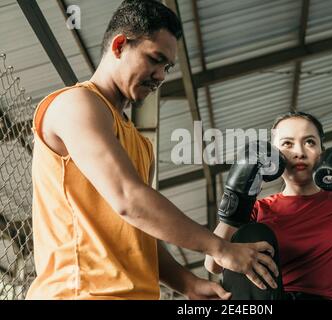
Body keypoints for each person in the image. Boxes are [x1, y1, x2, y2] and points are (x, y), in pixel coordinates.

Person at [26, 0, 279, 300]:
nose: (160, 76)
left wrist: (188, 284)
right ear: (119, 45)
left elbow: (139, 229)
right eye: (154, 60)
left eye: (167, 67)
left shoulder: (140, 143)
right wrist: (220, 248)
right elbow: (129, 200)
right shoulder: (76, 104)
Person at [205, 111, 332, 300]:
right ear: (274, 155)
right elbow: (213, 264)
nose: (299, 152)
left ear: (322, 151)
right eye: (287, 144)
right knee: (252, 233)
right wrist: (236, 200)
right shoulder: (258, 209)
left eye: (309, 142)